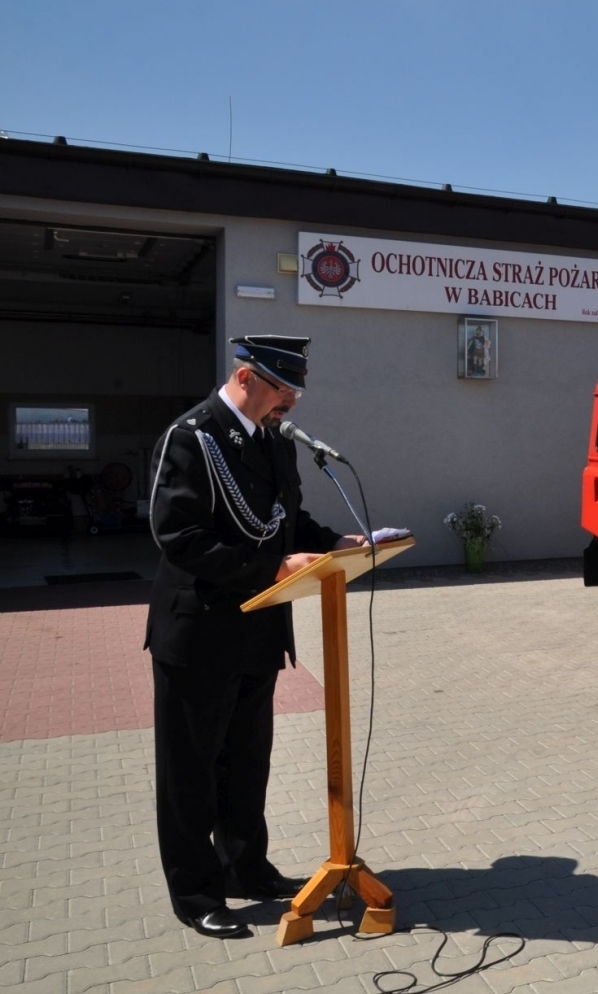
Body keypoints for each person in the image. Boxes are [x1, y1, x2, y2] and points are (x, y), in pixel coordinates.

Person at [146, 335, 363, 938]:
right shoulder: (192, 437)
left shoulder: (272, 441)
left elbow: (284, 519)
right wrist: (267, 569)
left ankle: (247, 869)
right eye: (281, 390)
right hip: (200, 630)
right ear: (246, 377)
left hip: (258, 628)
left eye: (293, 392)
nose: (289, 403)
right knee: (191, 769)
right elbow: (176, 534)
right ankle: (195, 893)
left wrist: (331, 542)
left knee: (247, 763)